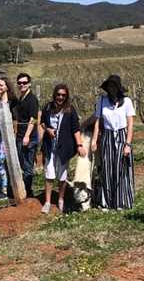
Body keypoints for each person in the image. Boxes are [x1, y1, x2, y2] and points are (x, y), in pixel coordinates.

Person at [90, 74, 136, 210]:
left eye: (114, 86)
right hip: (107, 137)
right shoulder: (102, 101)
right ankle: (107, 202)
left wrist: (128, 144)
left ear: (118, 87)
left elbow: (131, 124)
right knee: (107, 168)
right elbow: (98, 121)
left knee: (121, 168)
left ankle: (121, 201)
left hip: (122, 136)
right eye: (109, 86)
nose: (111, 89)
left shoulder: (127, 102)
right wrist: (94, 140)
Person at [39, 83, 82, 214]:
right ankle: (47, 202)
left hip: (64, 148)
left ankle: (61, 199)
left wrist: (79, 145)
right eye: (58, 95)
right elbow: (42, 122)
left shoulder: (70, 110)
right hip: (49, 146)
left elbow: (75, 129)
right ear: (54, 95)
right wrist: (48, 130)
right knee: (49, 175)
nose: (60, 97)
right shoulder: (47, 107)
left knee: (62, 176)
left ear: (66, 96)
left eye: (63, 95)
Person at [0, 77, 18, 200]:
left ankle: (6, 190)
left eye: (1, 85)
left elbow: (15, 121)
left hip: (7, 137)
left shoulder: (13, 102)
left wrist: (14, 136)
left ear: (7, 87)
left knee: (3, 162)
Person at [14, 73, 40, 198]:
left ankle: (28, 192)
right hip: (19, 136)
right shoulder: (20, 99)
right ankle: (23, 189)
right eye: (19, 83)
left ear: (29, 84)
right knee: (22, 163)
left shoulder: (32, 99)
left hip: (28, 137)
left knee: (28, 165)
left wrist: (27, 135)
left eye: (24, 82)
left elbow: (33, 118)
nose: (22, 85)